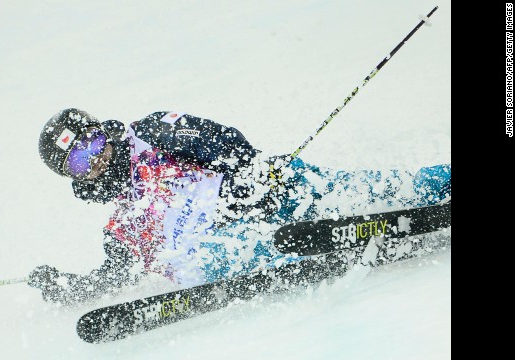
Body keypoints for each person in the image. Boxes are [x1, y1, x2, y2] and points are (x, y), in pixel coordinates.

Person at [29, 108, 451, 306]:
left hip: (272, 193)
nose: (96, 157)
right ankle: (317, 247)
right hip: (239, 243)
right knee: (214, 255)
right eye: (82, 159)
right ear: (75, 177)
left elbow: (226, 142)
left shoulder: (153, 133)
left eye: (94, 142)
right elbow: (111, 277)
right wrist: (66, 286)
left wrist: (243, 187)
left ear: (104, 130)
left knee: (384, 190)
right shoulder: (123, 223)